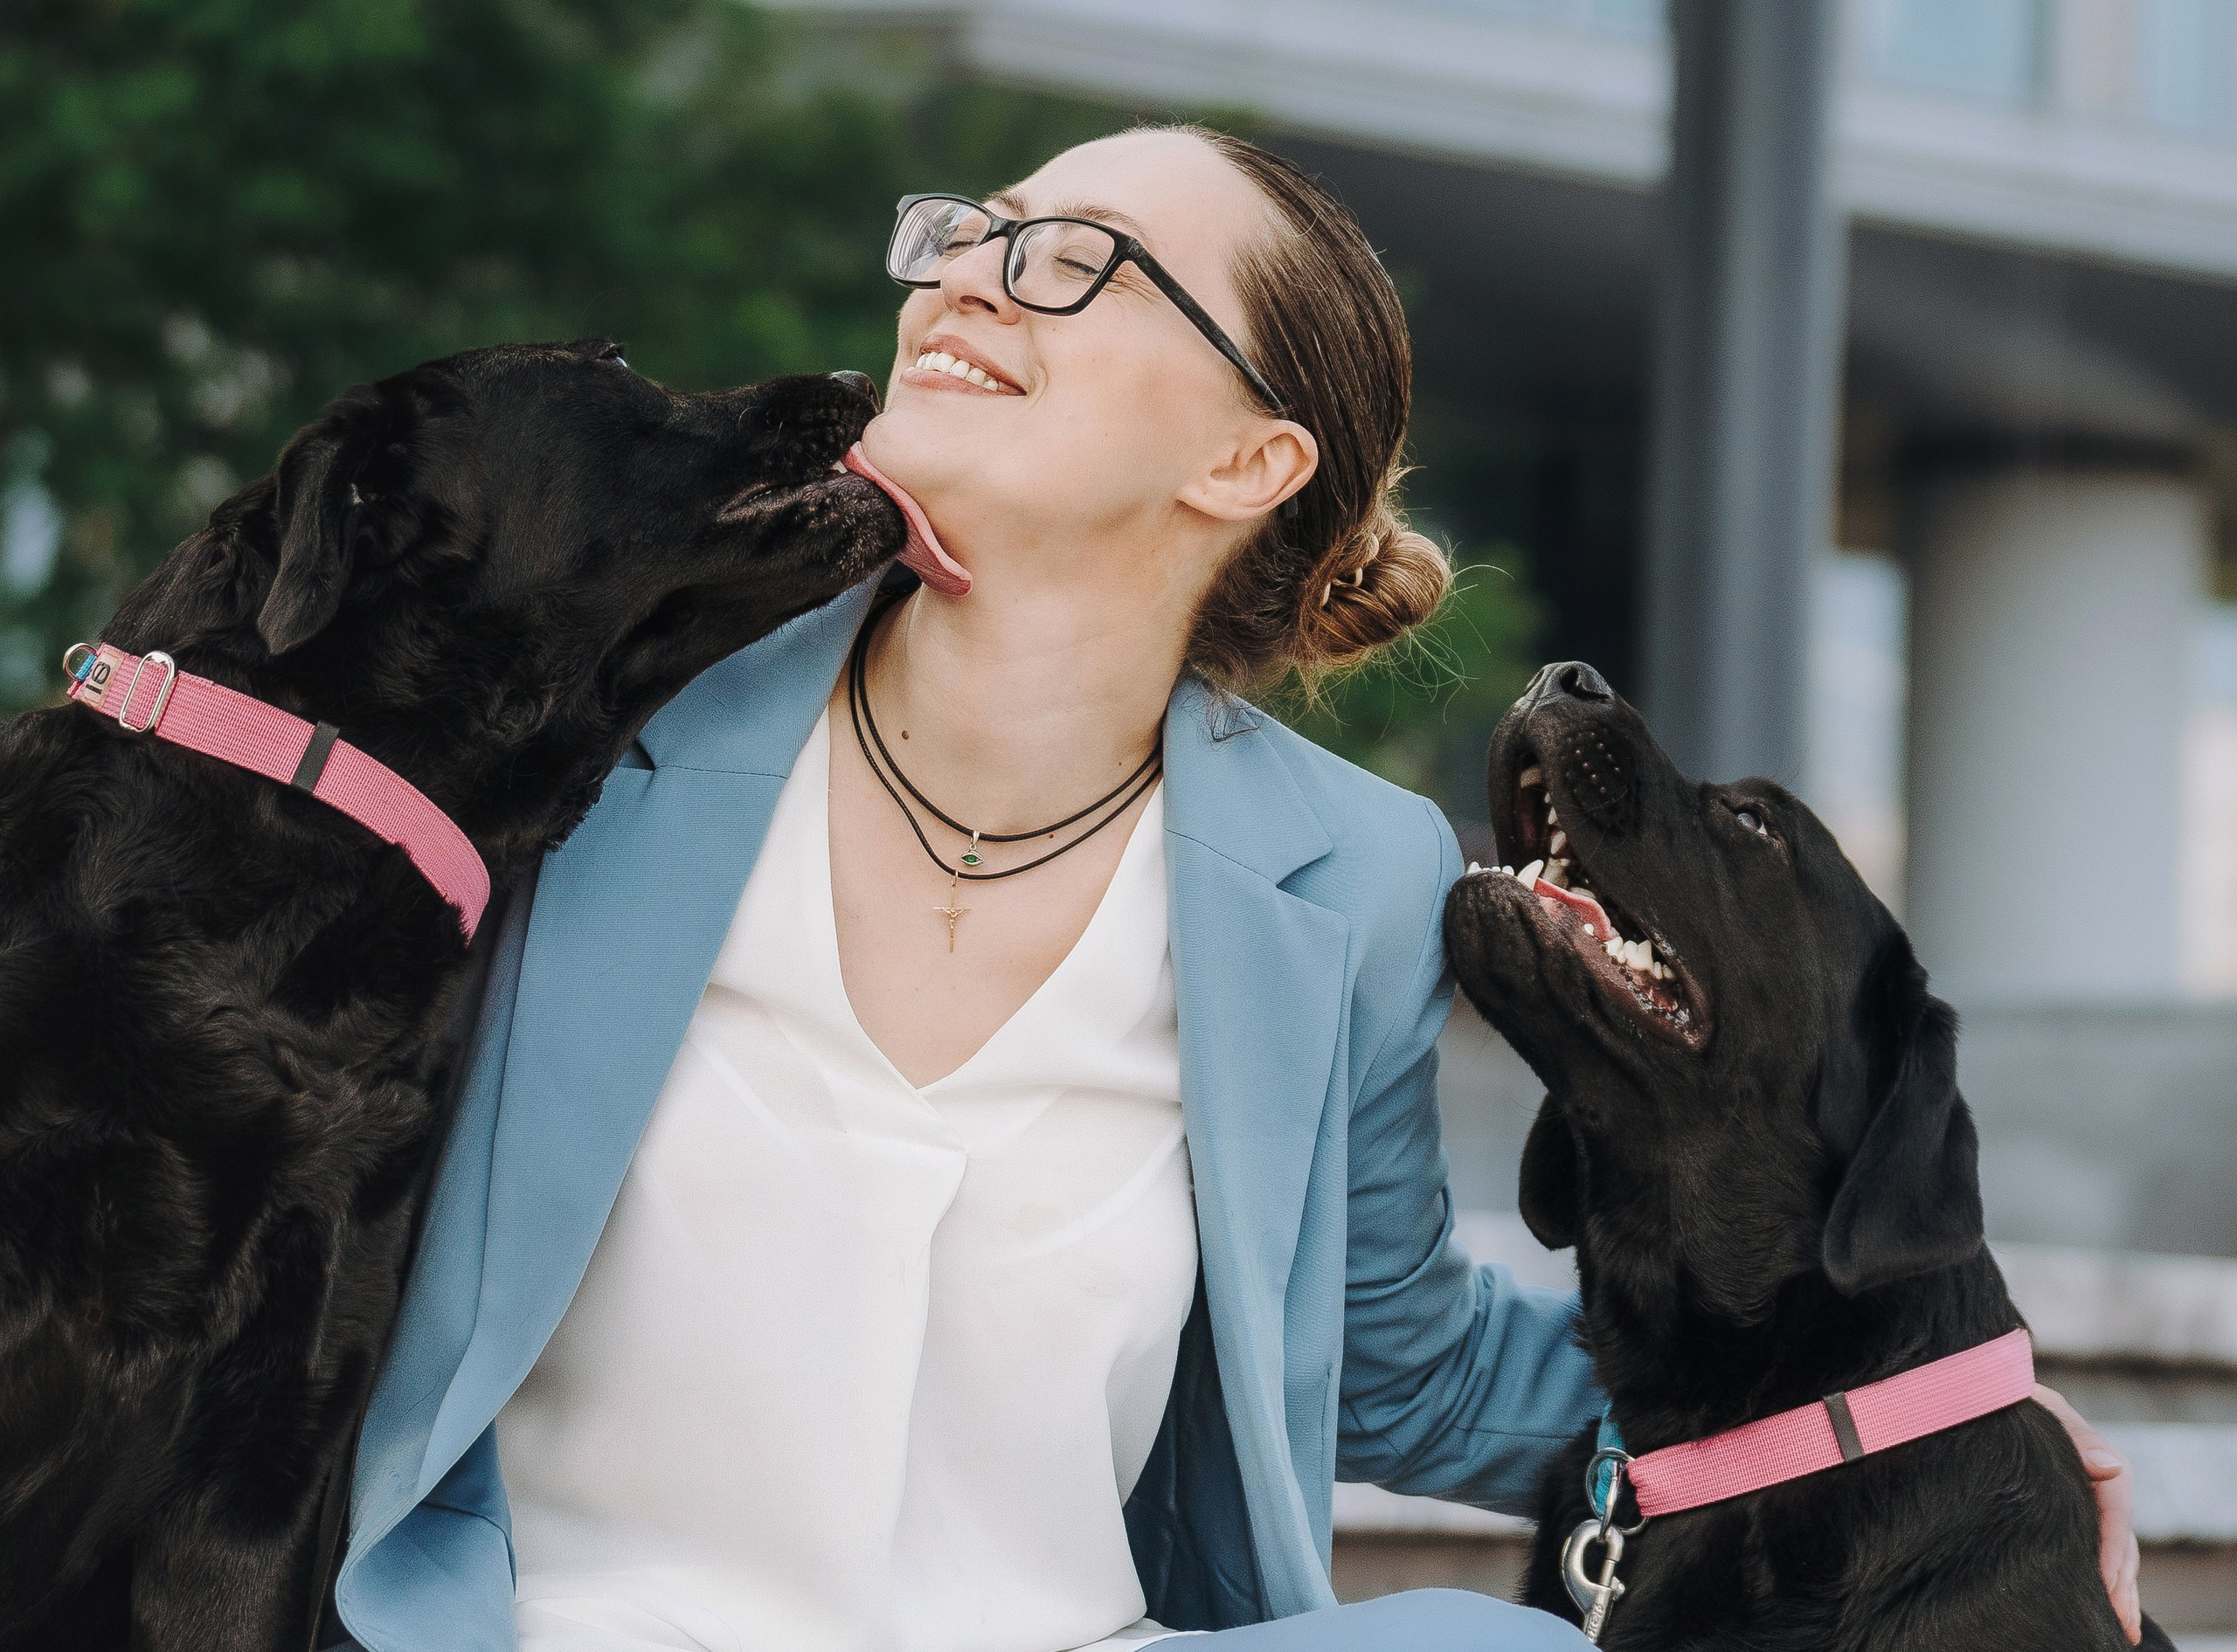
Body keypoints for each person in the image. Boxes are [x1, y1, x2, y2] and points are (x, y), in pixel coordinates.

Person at [326, 126, 2142, 1651]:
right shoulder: (588, 723)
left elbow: (1402, 1376)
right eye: (967, 236)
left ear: (1245, 461)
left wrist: (1923, 1413)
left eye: (1065, 260)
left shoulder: (1345, 881)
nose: (962, 273)